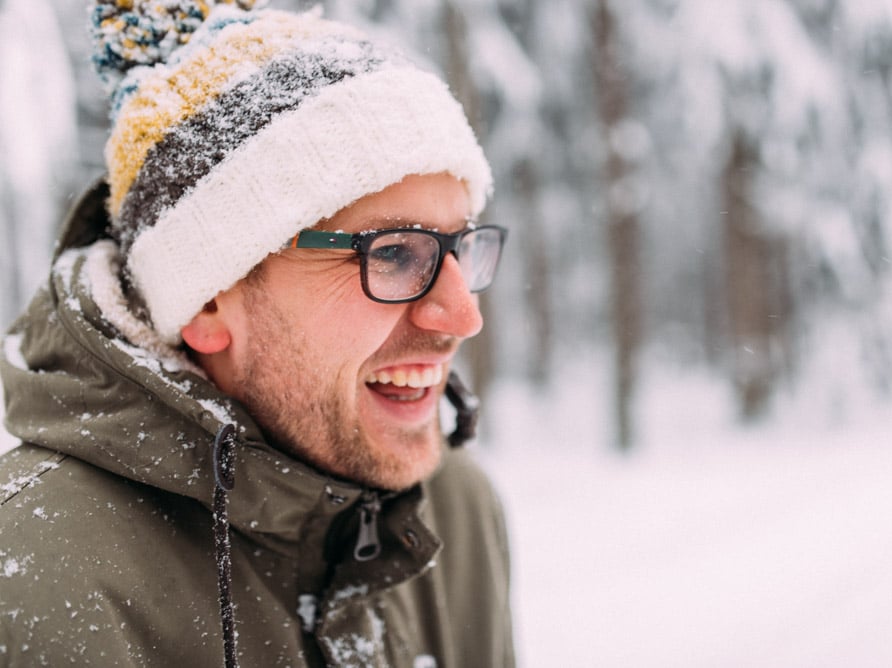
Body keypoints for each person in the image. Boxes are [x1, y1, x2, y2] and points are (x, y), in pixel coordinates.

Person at [0, 1, 515, 666]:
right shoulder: (37, 577)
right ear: (210, 300)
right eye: (393, 253)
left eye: (460, 247)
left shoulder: (452, 509)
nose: (462, 315)